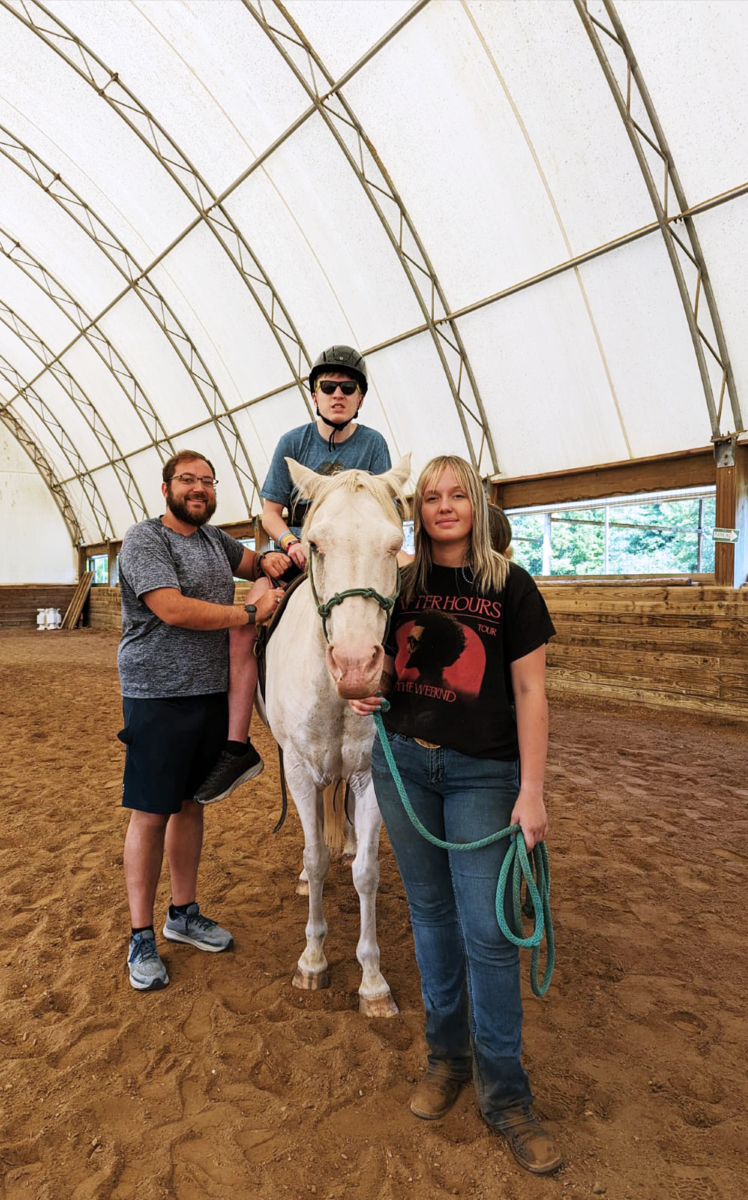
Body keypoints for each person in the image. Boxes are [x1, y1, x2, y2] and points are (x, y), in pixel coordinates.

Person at [348, 454, 562, 1176]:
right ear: (420, 509)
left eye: (455, 494)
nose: (443, 506)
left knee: (489, 936)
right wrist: (366, 689)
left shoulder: (511, 586)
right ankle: (448, 1059)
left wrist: (530, 789)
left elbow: (531, 692)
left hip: (483, 775)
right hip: (405, 764)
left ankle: (507, 1095)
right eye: (431, 497)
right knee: (432, 921)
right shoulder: (400, 584)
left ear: (475, 502)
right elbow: (385, 665)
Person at [193, 345, 392, 804]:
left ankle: (406, 726)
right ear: (315, 394)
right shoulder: (292, 442)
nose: (337, 394)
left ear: (360, 398)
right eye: (328, 386)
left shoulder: (375, 446)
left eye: (348, 387)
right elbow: (270, 509)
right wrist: (289, 543)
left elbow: (381, 511)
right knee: (243, 626)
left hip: (350, 560)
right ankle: (237, 744)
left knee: (401, 609)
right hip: (298, 553)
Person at [117, 450, 284, 992]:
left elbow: (255, 564)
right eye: (188, 480)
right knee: (150, 812)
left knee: (190, 805)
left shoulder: (216, 542)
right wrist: (249, 614)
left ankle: (182, 913)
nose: (199, 489)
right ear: (165, 487)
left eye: (208, 482)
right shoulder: (146, 540)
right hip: (158, 694)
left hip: (212, 693)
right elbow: (172, 607)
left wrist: (278, 556)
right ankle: (141, 933)